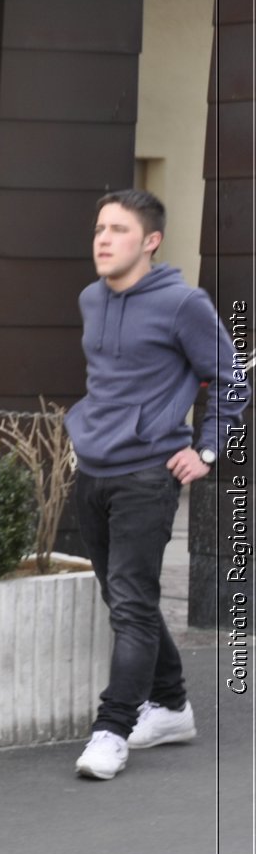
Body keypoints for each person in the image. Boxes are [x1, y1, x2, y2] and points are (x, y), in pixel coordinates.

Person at [67, 189, 248, 780]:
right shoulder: (92, 299)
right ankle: (170, 706)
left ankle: (112, 729)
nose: (102, 239)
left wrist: (208, 451)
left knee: (131, 604)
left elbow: (230, 381)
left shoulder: (182, 304)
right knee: (127, 600)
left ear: (150, 241)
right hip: (93, 470)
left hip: (149, 474)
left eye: (118, 229)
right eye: (99, 228)